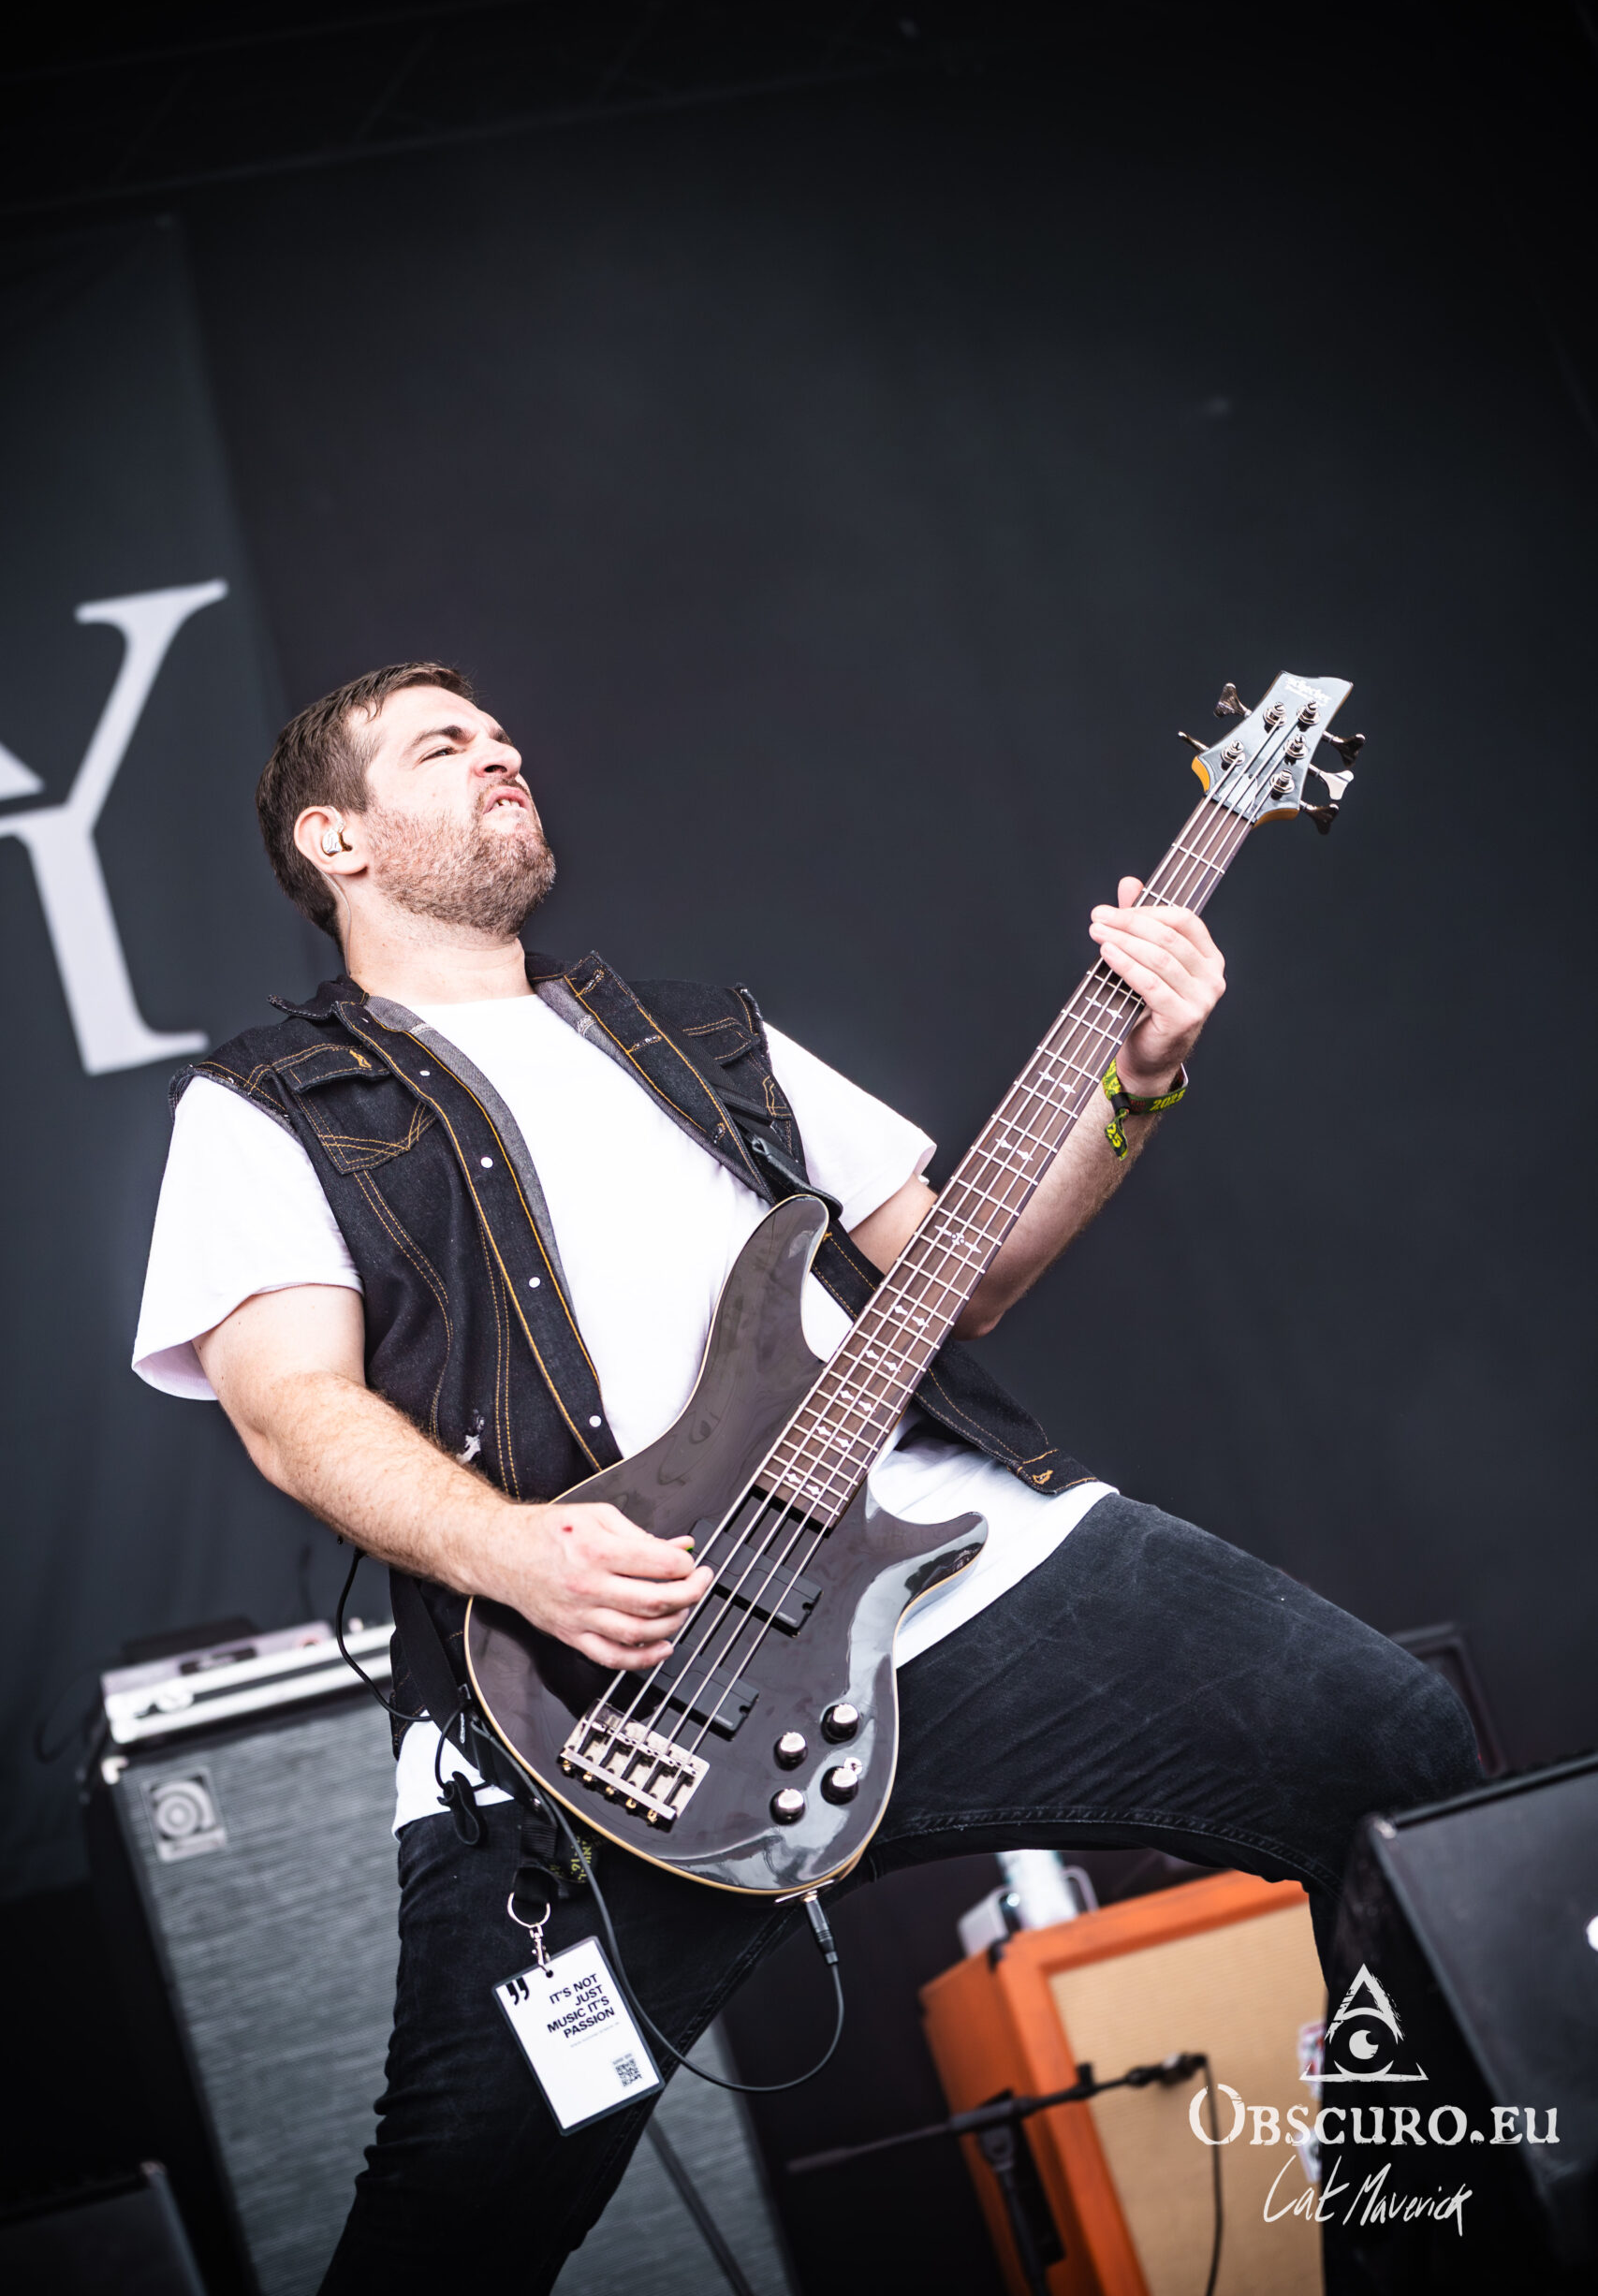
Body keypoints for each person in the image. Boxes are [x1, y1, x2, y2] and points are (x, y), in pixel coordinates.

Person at [133, 661, 1478, 2291]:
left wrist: (1135, 1083)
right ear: (334, 839)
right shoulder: (269, 1106)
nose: (502, 751)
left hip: (954, 1572)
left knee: (1404, 1755)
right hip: (611, 1692)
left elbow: (963, 1275)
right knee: (457, 2203)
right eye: (444, 744)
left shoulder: (707, 1036)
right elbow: (291, 1409)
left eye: (501, 731)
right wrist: (515, 1554)